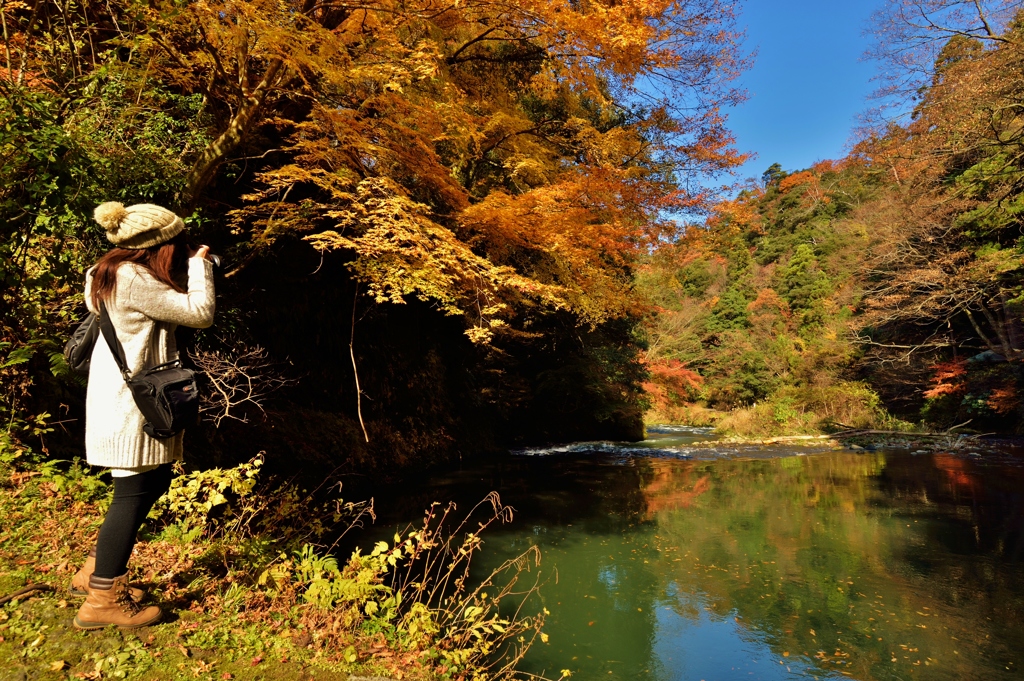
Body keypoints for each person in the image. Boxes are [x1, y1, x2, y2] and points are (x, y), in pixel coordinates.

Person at [70, 201, 215, 630]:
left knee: (153, 480)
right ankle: (101, 601)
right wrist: (201, 269)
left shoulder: (107, 271)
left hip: (125, 395)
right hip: (130, 403)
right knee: (132, 492)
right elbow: (199, 314)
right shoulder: (132, 278)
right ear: (157, 246)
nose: (183, 248)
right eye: (178, 243)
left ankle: (97, 571)